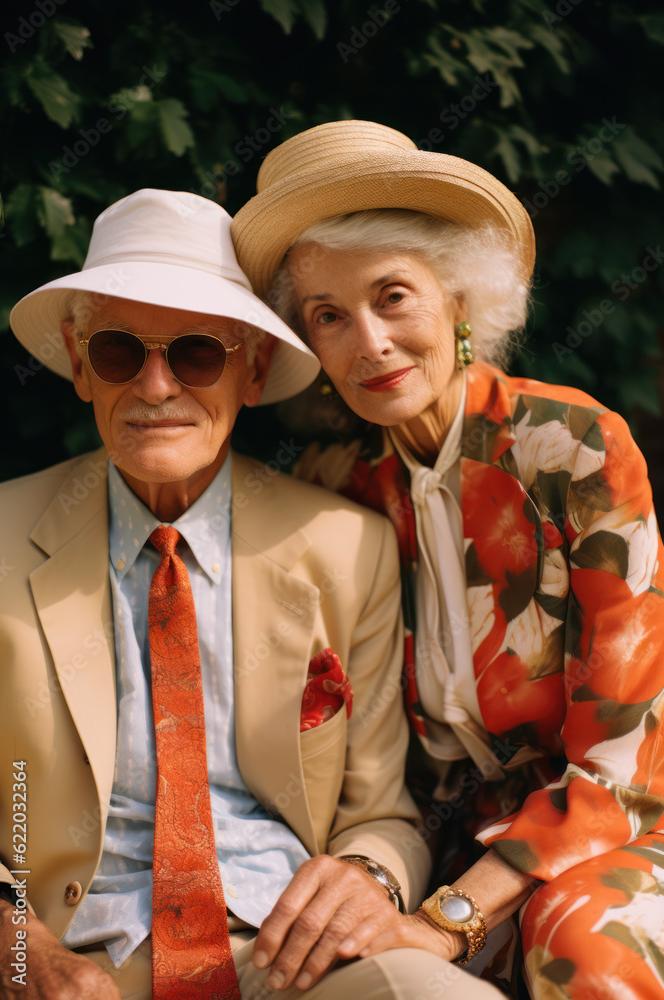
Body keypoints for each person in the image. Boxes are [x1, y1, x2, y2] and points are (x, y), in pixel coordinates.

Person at [0, 188, 504, 1000]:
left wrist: (365, 877)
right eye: (123, 352)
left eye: (197, 353)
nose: (157, 388)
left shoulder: (346, 545)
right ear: (80, 362)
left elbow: (381, 814)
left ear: (255, 367)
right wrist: (16, 947)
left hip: (291, 957)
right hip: (71, 960)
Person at [232, 120, 664, 999]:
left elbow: (626, 757)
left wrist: (447, 919)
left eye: (392, 296)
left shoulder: (569, 449)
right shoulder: (334, 487)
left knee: (582, 943)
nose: (370, 342)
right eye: (328, 316)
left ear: (459, 298)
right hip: (442, 849)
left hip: (618, 825)